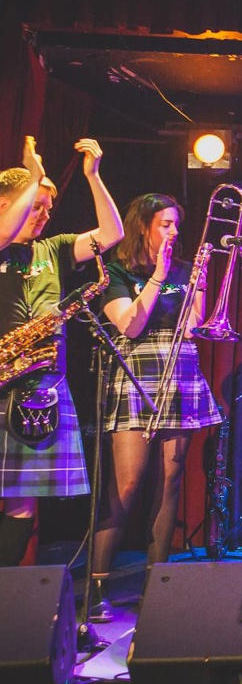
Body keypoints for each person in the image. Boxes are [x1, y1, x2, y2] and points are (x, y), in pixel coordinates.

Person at [88, 193, 223, 620]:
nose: (174, 231)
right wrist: (159, 276)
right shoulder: (116, 271)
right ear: (143, 225)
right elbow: (130, 326)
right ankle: (95, 586)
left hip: (180, 368)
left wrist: (198, 284)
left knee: (171, 480)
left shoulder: (183, 270)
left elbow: (194, 325)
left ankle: (157, 585)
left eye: (176, 224)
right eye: (165, 224)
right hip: (137, 370)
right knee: (126, 484)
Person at [0, 137, 123, 566]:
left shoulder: (52, 248)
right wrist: (33, 176)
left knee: (22, 502)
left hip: (39, 387)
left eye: (49, 208)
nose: (45, 214)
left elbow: (112, 234)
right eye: (36, 206)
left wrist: (93, 176)